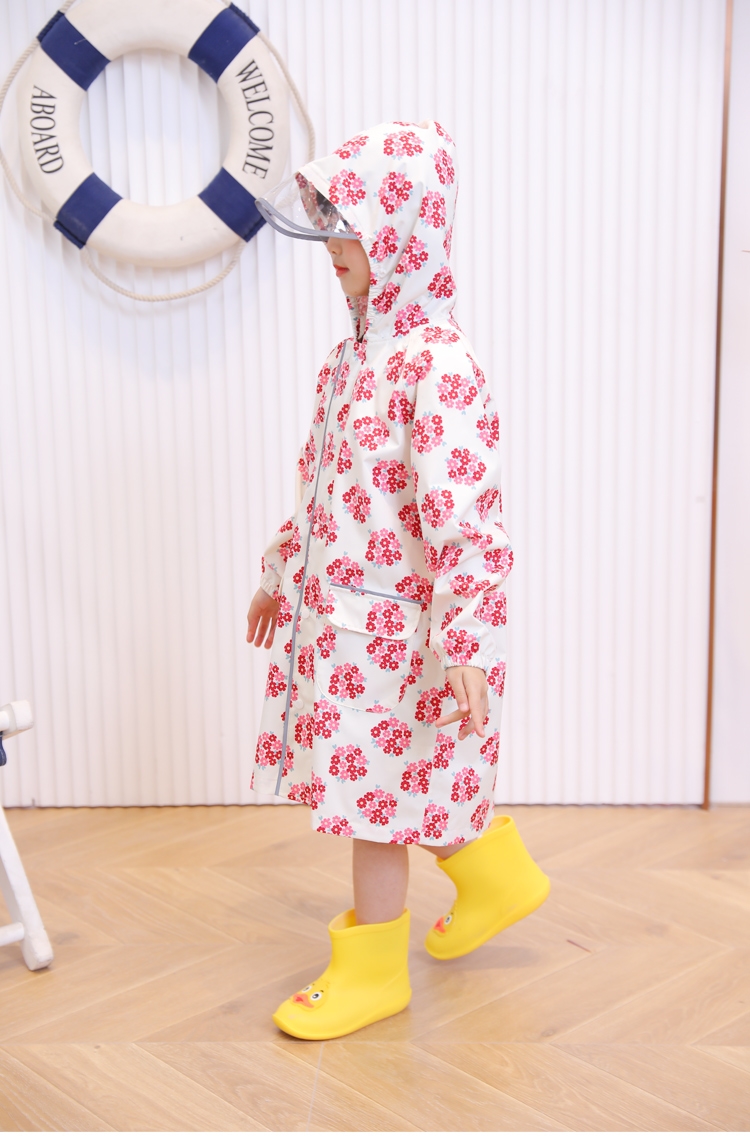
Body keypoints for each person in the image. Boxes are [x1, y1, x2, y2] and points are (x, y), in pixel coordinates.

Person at [246, 121, 549, 1040]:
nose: (334, 248)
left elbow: (469, 524)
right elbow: (323, 492)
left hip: (403, 638)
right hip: (346, 623)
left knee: (375, 803)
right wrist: (280, 571)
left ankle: (373, 970)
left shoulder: (439, 368)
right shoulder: (350, 360)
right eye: (328, 228)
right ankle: (495, 877)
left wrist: (467, 642)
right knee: (399, 780)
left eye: (354, 230)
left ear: (405, 233)